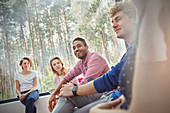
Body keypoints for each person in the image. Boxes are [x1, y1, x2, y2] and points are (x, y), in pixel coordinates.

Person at [58, 1, 137, 113]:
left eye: (118, 19)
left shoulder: (138, 48)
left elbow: (110, 79)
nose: (113, 25)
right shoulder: (131, 50)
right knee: (65, 97)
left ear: (134, 18)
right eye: (112, 22)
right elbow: (69, 76)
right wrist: (58, 92)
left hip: (110, 95)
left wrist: (74, 89)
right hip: (112, 95)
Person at [48, 37, 110, 112]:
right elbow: (67, 78)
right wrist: (53, 94)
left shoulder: (95, 59)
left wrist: (70, 90)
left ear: (87, 47)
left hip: (104, 93)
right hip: (94, 93)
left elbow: (86, 83)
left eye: (79, 46)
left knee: (67, 96)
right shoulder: (81, 62)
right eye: (74, 48)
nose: (76, 49)